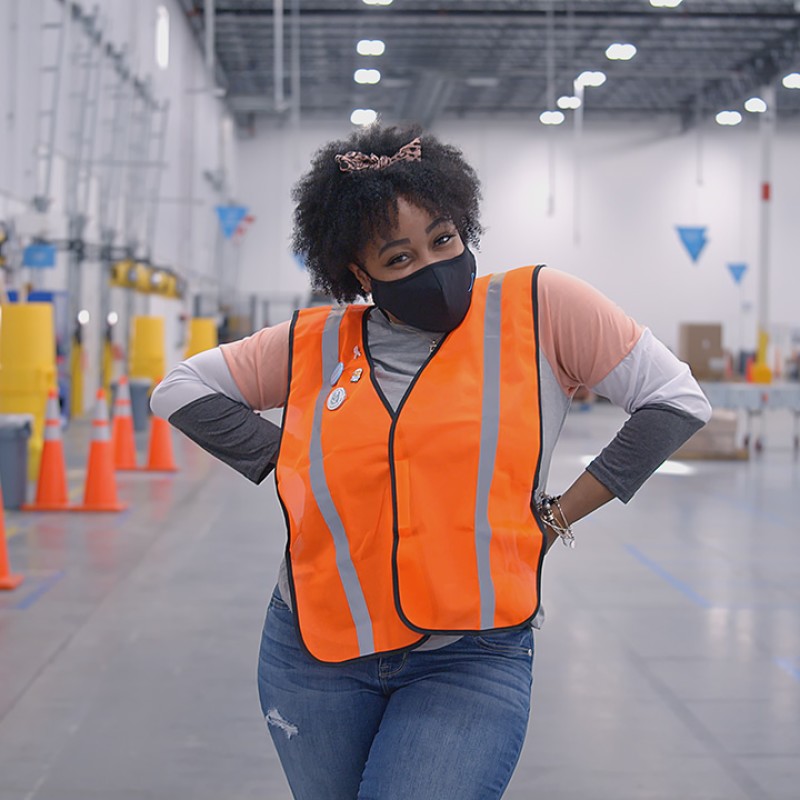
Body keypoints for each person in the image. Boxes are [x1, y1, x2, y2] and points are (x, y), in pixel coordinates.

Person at [150, 124, 712, 800]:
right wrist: (291, 457)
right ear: (359, 273)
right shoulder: (315, 343)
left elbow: (674, 400)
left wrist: (559, 514)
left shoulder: (541, 307)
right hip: (315, 649)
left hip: (472, 651)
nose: (432, 266)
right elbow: (177, 389)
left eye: (442, 240)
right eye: (399, 258)